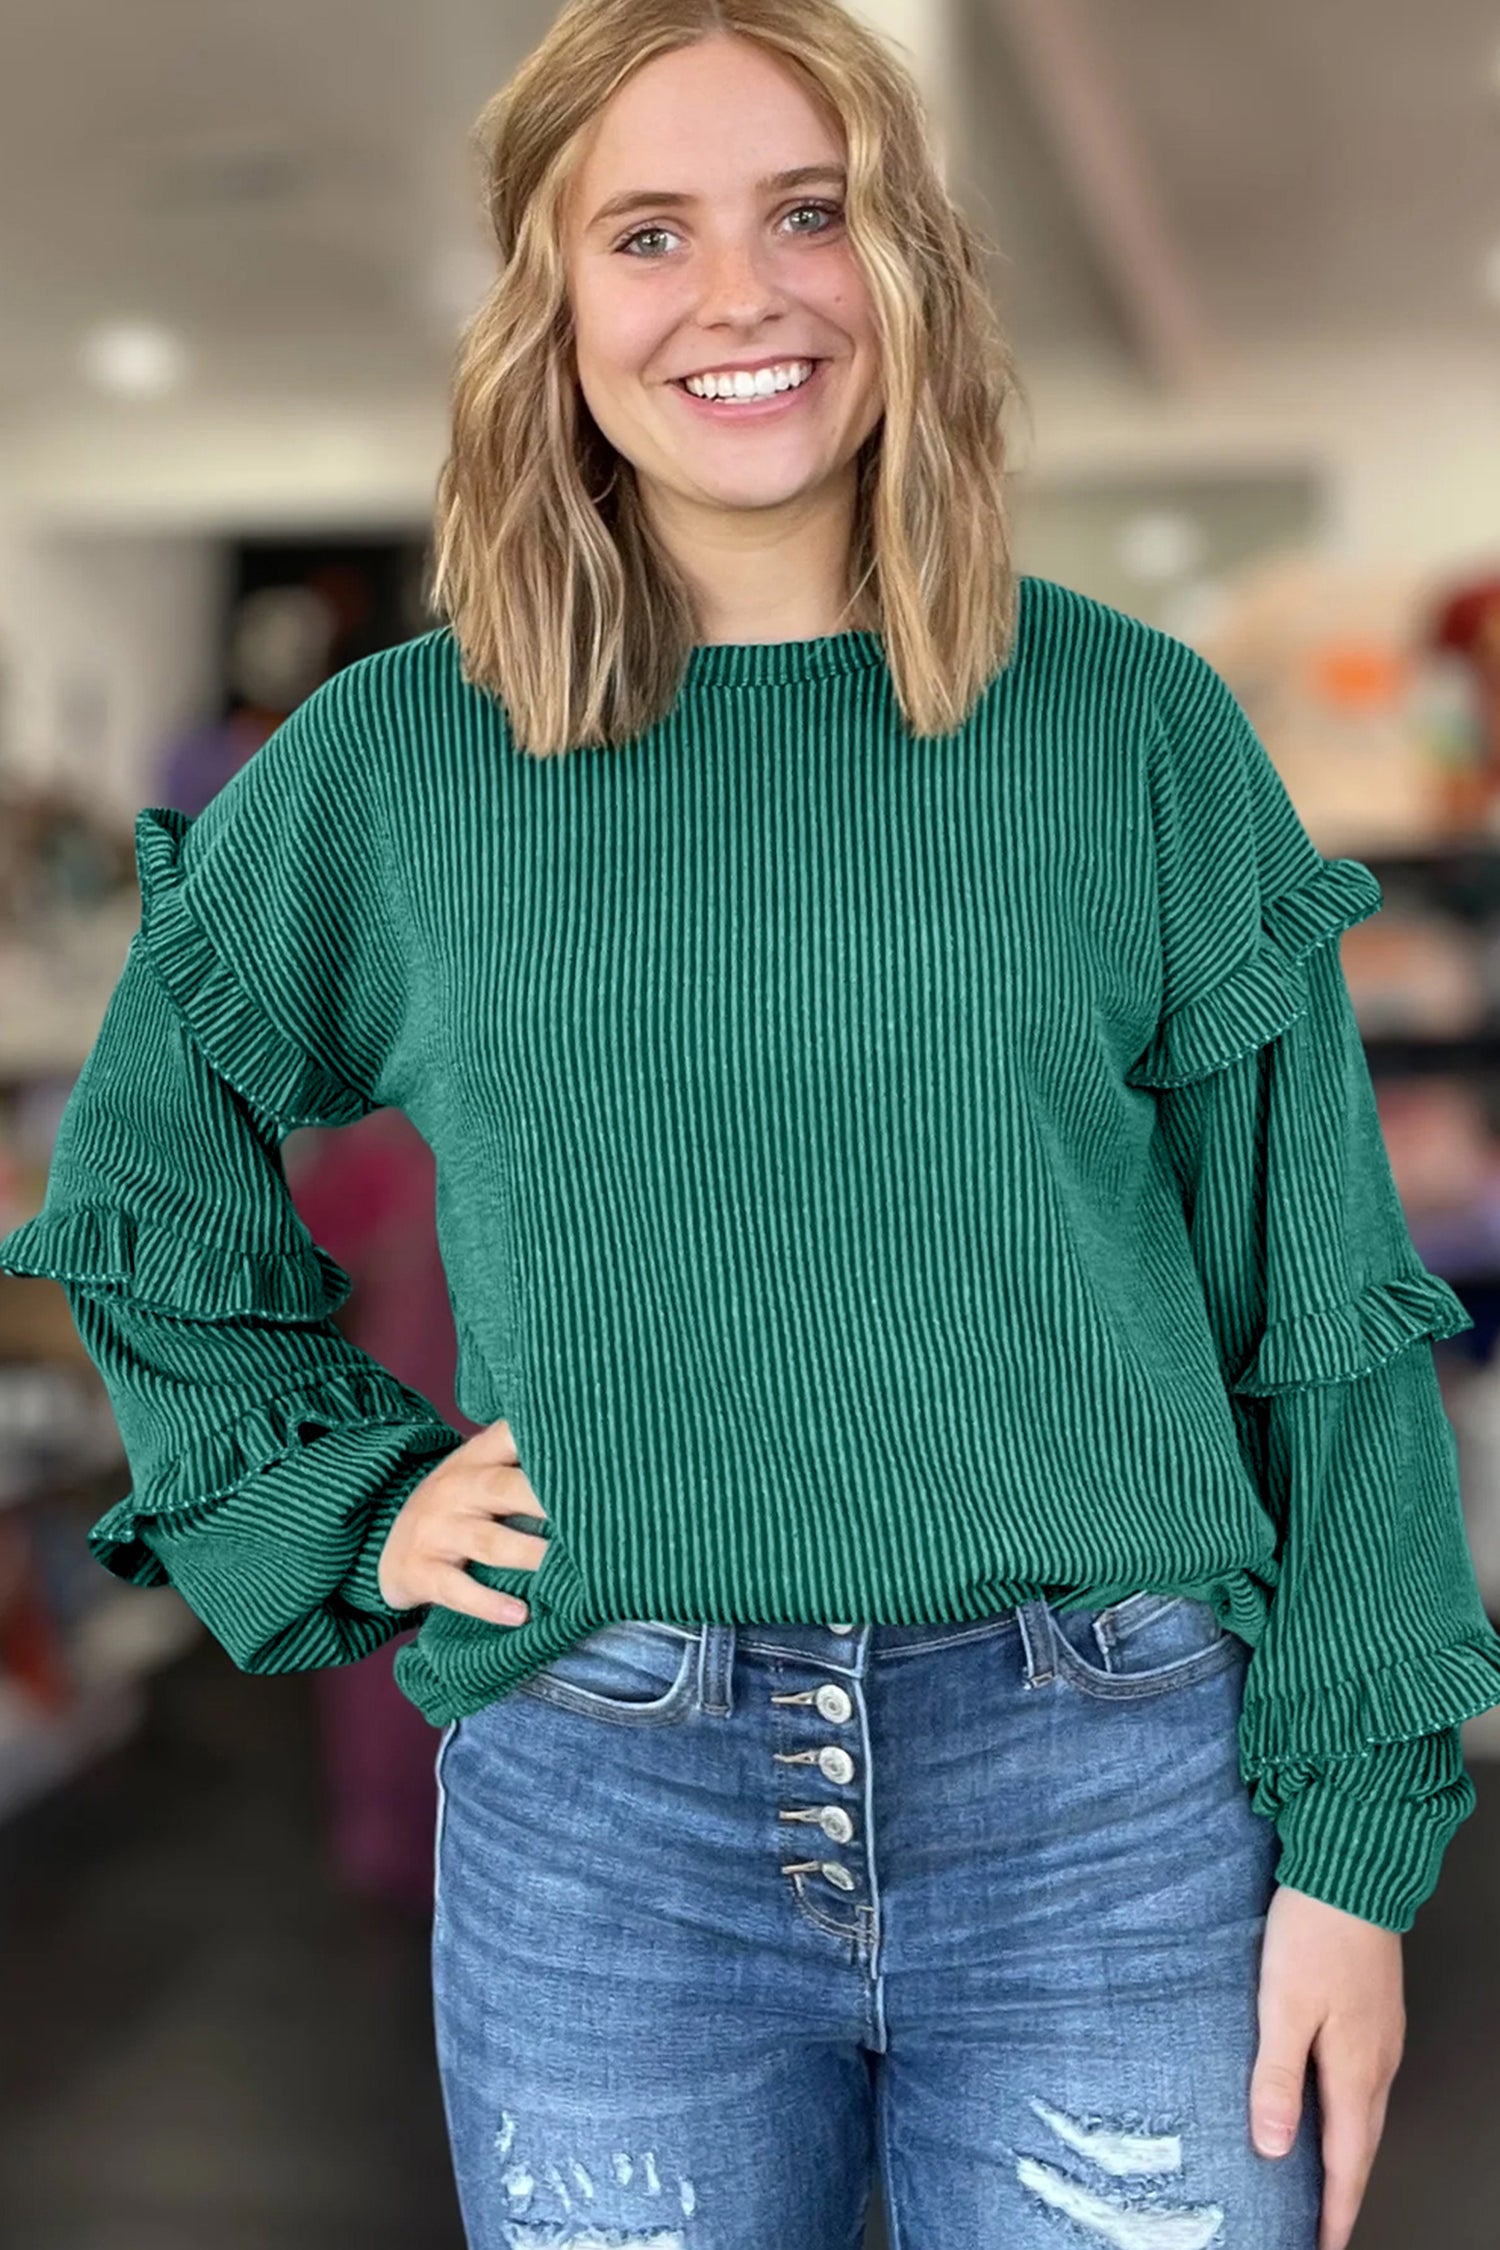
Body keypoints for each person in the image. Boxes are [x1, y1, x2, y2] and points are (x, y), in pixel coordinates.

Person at [5, 4, 1499, 2245]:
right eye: (648, 231)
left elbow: (1327, 1301)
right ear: (551, 308)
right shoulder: (406, 763)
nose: (743, 295)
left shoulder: (1131, 731)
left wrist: (1359, 1852)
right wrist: (351, 1497)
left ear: (907, 263)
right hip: (611, 1816)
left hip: (1112, 1799)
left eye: (812, 212)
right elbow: (140, 1175)